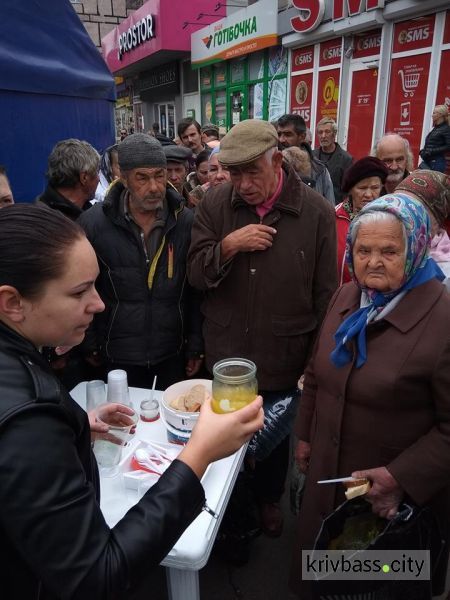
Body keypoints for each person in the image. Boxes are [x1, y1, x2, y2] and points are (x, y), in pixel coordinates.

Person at [0, 203, 264, 599]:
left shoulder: (22, 378)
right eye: (78, 291)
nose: (99, 303)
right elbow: (98, 576)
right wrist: (198, 455)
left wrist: (72, 425)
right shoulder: (28, 422)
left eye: (95, 284)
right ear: (13, 303)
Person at [290, 193, 449, 599]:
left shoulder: (442, 320)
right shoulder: (346, 297)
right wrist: (306, 435)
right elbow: (316, 373)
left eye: (389, 251)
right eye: (363, 250)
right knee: (319, 578)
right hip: (328, 484)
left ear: (415, 248)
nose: (373, 262)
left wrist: (401, 478)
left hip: (388, 504)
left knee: (372, 586)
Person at [188, 119, 337, 539]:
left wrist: (314, 362)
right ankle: (227, 506)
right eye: (234, 172)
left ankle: (268, 500)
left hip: (282, 351)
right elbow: (196, 276)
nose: (243, 184)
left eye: (253, 171)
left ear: (277, 160)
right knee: (223, 434)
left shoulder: (317, 211)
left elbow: (327, 297)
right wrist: (229, 246)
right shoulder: (215, 205)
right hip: (228, 350)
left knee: (271, 438)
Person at [78, 133, 204, 390]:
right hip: (117, 355)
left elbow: (194, 290)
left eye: (160, 175)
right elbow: (83, 287)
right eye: (142, 178)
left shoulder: (185, 221)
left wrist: (195, 343)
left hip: (171, 353)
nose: (155, 186)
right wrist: (88, 341)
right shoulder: (93, 224)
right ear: (123, 178)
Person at [336, 157, 388, 284]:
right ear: (351, 190)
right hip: (337, 295)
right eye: (362, 188)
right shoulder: (334, 217)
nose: (369, 194)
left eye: (375, 187)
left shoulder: (388, 220)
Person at [396, 169, 450, 287]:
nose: (401, 214)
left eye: (414, 209)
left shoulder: (445, 272)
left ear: (436, 222)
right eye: (397, 203)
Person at [36, 139, 100, 220]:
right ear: (84, 178)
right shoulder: (46, 222)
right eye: (97, 172)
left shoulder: (43, 210)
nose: (99, 179)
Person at [277, 114, 334, 204]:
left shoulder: (319, 170)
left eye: (288, 135)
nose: (281, 140)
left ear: (302, 137)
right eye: (279, 134)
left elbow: (329, 208)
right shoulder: (271, 166)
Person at [313, 117, 353, 204]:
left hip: (335, 206)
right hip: (315, 205)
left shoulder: (346, 159)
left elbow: (348, 189)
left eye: (327, 132)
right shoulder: (312, 156)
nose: (323, 136)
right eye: (320, 132)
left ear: (334, 134)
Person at [419, 105, 450, 173]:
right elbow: (431, 144)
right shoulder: (436, 128)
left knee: (433, 183)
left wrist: (431, 151)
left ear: (440, 115)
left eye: (434, 113)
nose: (432, 115)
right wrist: (423, 151)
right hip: (429, 161)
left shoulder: (446, 129)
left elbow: (449, 146)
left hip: (436, 163)